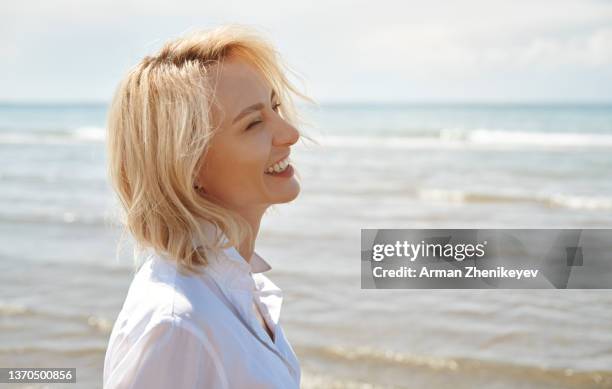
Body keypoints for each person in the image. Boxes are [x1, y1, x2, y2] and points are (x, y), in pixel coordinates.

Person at [102, 24, 312, 388]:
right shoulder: (176, 326)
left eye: (275, 106)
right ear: (188, 164)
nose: (290, 133)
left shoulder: (239, 288)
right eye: (254, 123)